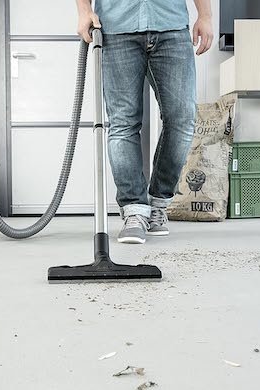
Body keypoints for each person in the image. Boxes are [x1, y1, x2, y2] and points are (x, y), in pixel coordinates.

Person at [76, 0, 213, 244]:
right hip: (117, 27)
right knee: (123, 123)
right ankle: (134, 210)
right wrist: (84, 11)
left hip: (170, 25)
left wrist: (205, 15)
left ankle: (158, 203)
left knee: (182, 118)